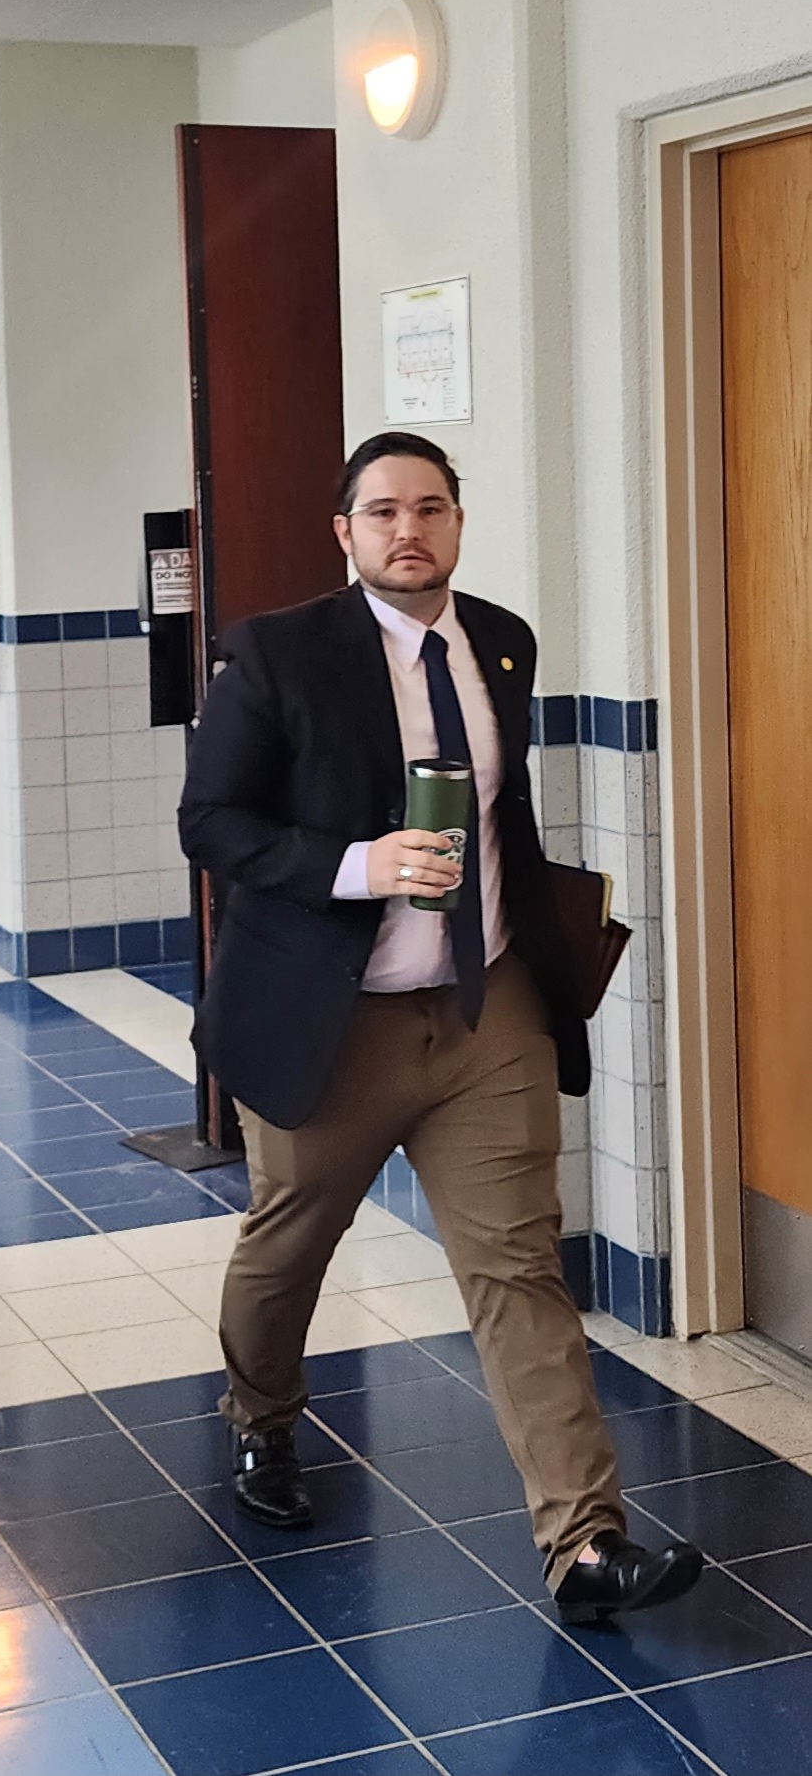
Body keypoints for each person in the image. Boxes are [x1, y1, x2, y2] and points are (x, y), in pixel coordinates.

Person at [178, 429, 702, 1624]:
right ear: (344, 533)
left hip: (484, 1012)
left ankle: (584, 1544)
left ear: (457, 522)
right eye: (379, 512)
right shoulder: (272, 655)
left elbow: (501, 818)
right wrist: (359, 865)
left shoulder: (500, 643)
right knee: (286, 1243)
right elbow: (210, 823)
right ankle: (259, 1412)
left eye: (428, 508)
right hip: (330, 1021)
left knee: (517, 1267)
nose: (405, 530)